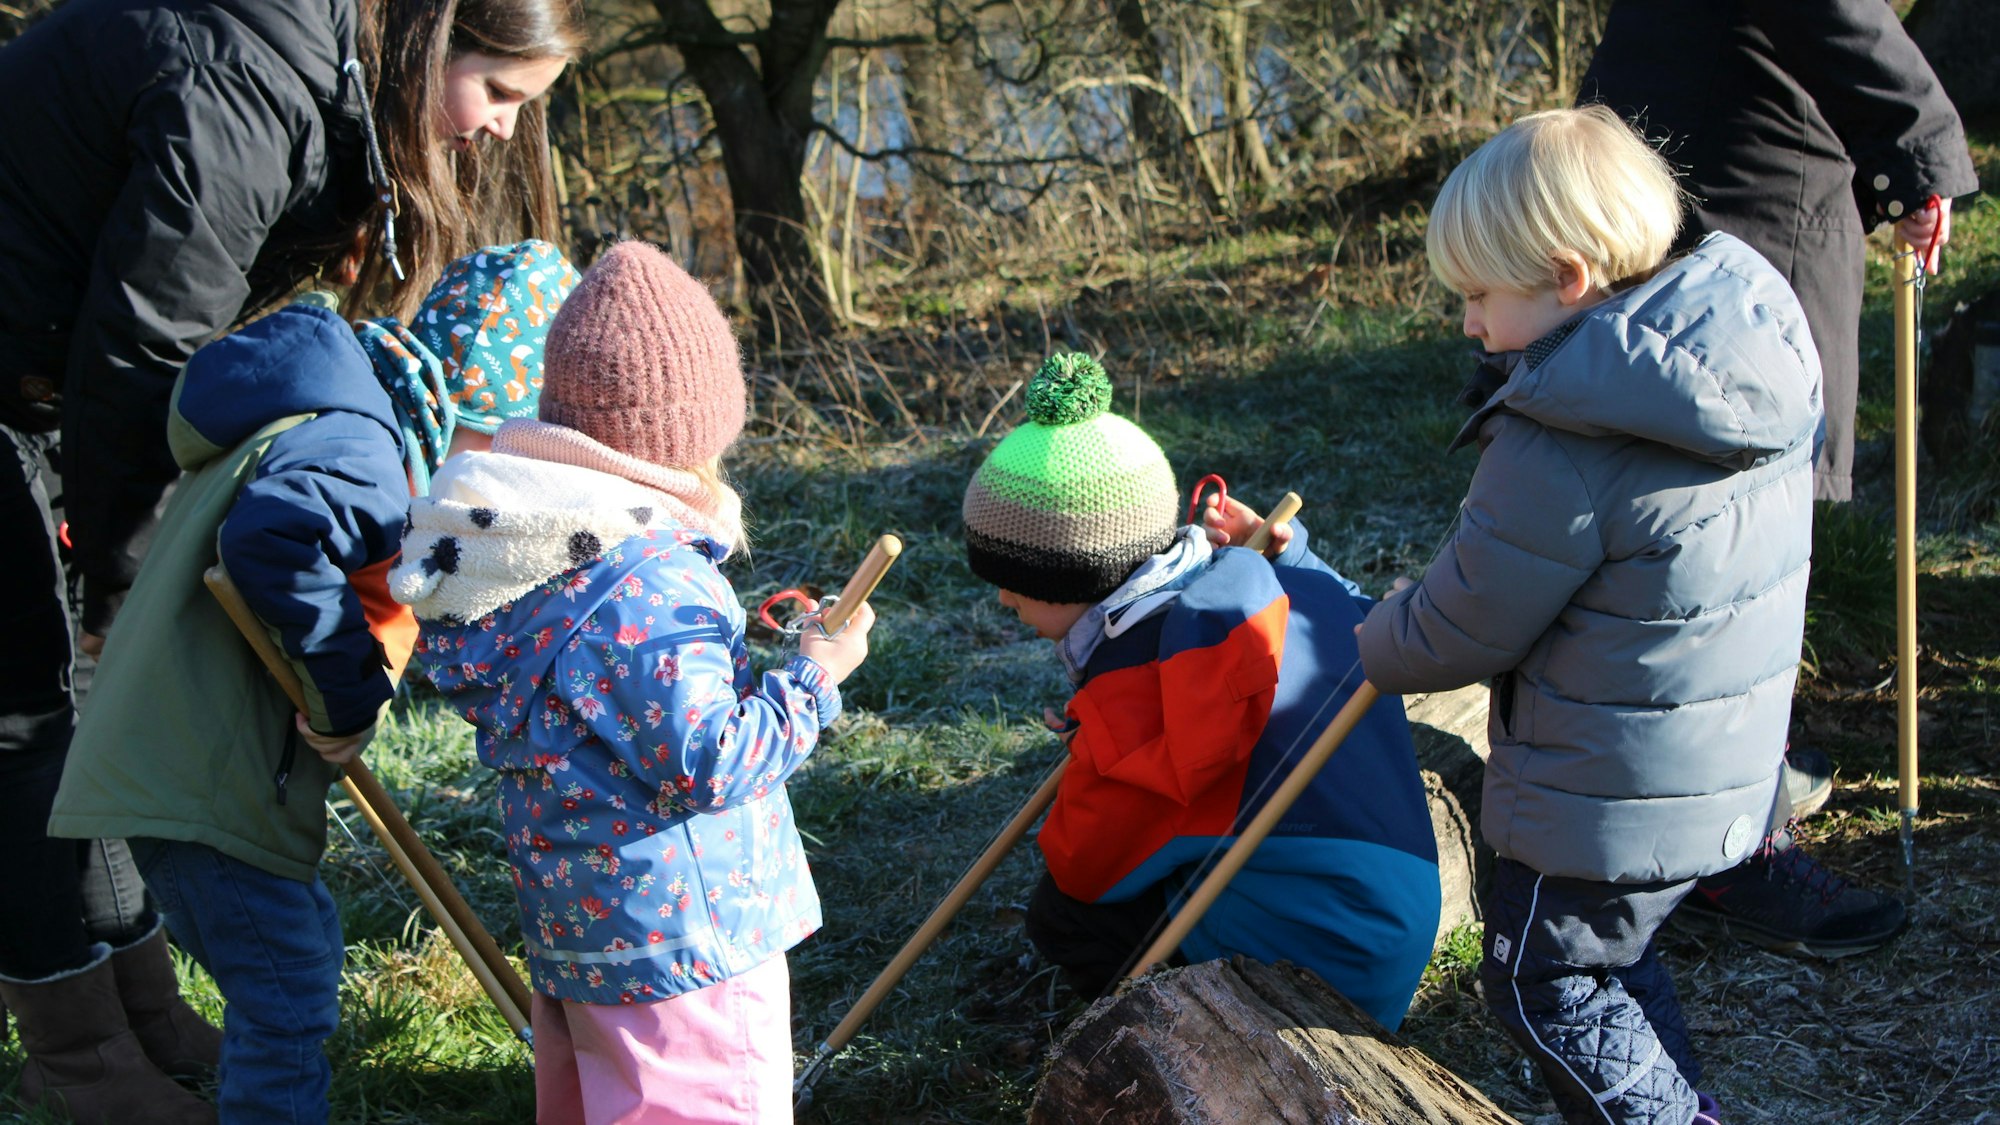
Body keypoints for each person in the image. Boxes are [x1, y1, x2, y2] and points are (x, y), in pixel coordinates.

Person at [0, 1, 583, 1117]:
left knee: (72, 715)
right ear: (430, 42)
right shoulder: (251, 88)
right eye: (500, 93)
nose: (506, 132)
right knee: (25, 720)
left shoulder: (316, 84)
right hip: (27, 385)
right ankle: (80, 1056)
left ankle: (145, 1009)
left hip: (42, 386)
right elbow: (144, 339)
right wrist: (117, 580)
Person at [1356, 106, 1819, 1124]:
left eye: (1478, 297)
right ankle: (1677, 1098)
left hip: (1588, 804)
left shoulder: (1562, 434)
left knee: (1539, 984)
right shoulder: (1743, 343)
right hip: (1712, 773)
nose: (1468, 324)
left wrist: (1371, 641)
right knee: (1612, 956)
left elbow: (1464, 622)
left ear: (1567, 279)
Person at [394, 241, 875, 1125]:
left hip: (583, 931)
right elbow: (710, 760)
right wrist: (814, 674)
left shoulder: (524, 555)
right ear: (685, 434)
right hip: (689, 941)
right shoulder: (646, 577)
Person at [1576, 0, 1974, 959]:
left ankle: (1699, 805)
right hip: (1727, 208)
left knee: (1676, 528)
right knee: (1723, 539)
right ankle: (1726, 846)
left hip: (1676, 182)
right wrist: (1920, 147)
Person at [961, 352, 1443, 1029]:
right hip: (1388, 919)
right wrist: (1290, 553)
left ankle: (1181, 1043)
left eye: (1015, 581)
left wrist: (1100, 748)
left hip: (1319, 974)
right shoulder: (1293, 584)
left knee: (1063, 917)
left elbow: (1084, 866)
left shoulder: (1143, 688)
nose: (1005, 597)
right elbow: (1351, 600)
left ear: (1075, 576)